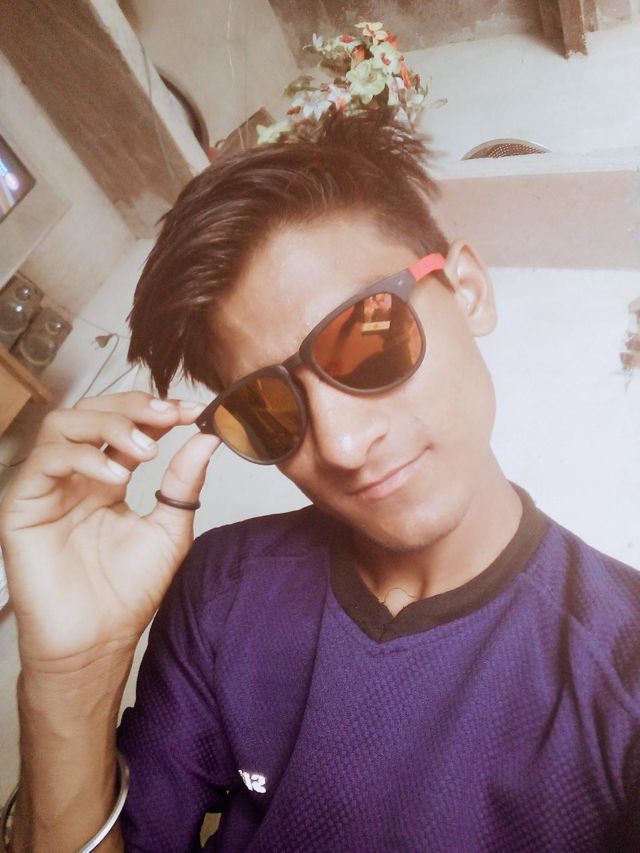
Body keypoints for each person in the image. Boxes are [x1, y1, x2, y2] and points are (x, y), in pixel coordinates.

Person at [1, 109, 639, 853]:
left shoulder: (621, 674)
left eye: (369, 339)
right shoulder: (225, 585)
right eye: (267, 408)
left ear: (466, 288)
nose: (341, 444)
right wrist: (71, 678)